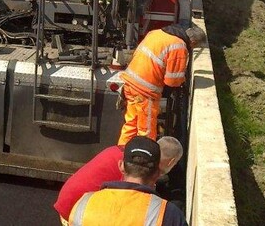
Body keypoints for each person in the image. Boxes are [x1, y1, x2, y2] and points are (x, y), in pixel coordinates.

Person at [54, 137, 184, 224]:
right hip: (75, 210)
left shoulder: (127, 155)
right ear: (171, 162)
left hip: (77, 205)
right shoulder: (131, 172)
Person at [117, 25, 206, 146]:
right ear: (193, 42)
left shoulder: (157, 32)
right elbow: (172, 81)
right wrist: (182, 80)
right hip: (145, 92)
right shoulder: (179, 46)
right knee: (146, 131)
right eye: (194, 46)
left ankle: (120, 153)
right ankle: (144, 160)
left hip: (130, 83)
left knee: (131, 124)